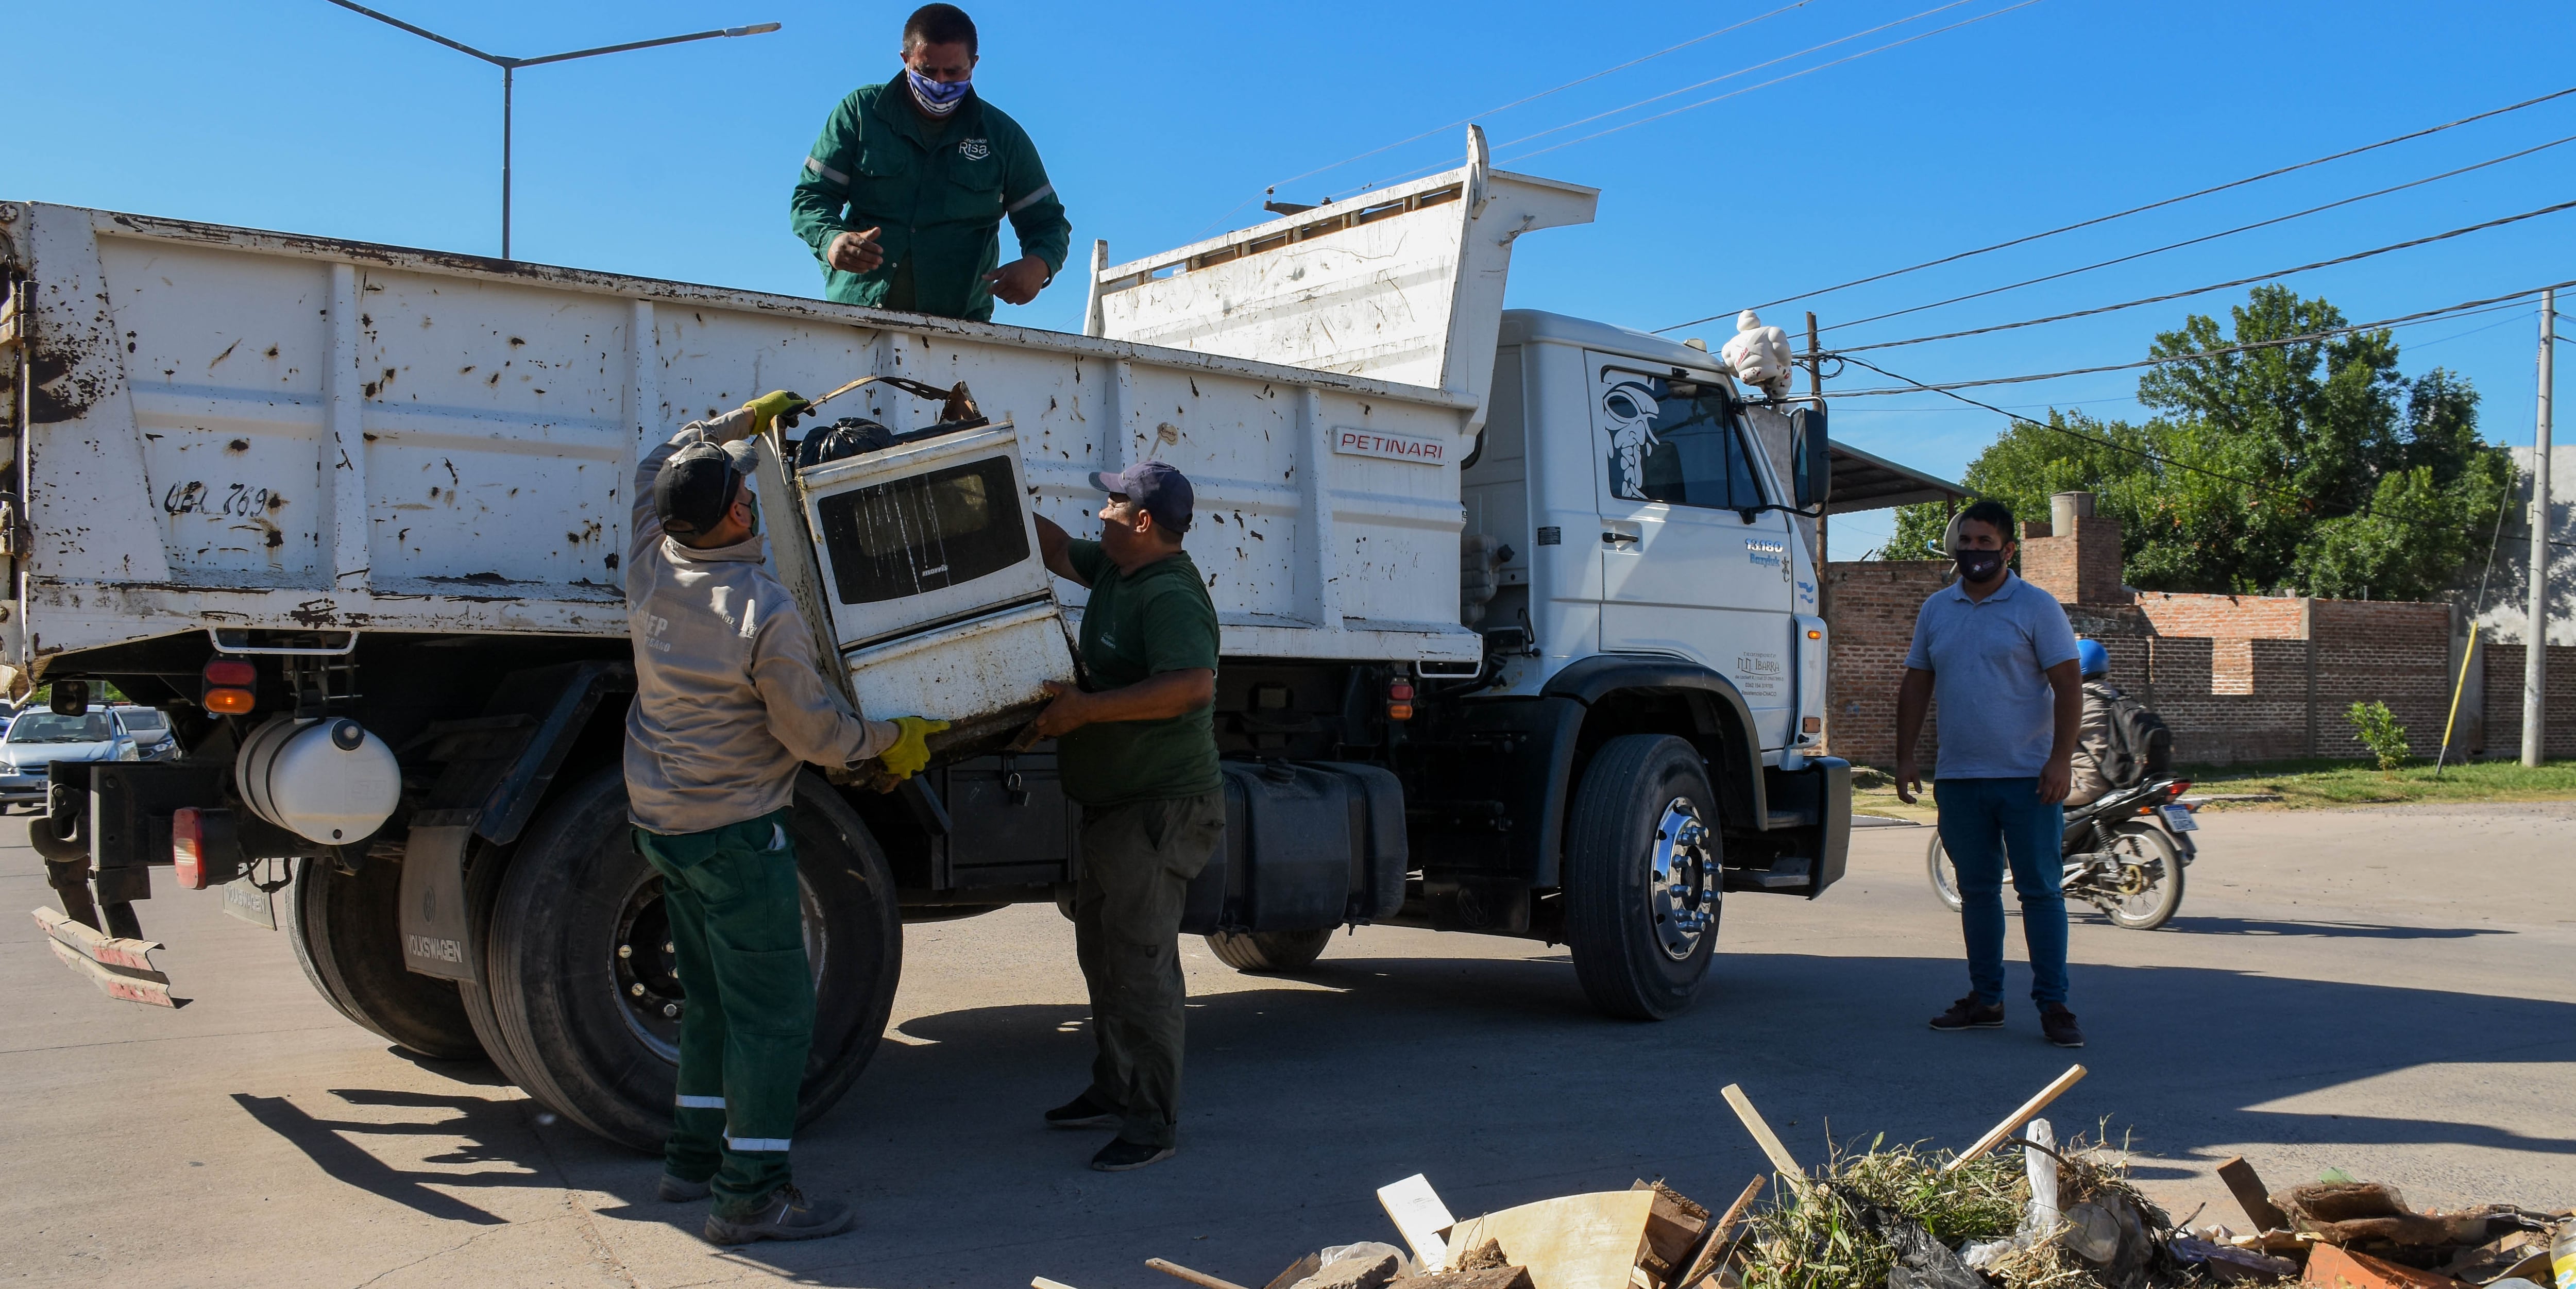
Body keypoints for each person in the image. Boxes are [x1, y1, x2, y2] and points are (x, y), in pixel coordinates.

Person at [625, 390, 947, 1244]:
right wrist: (893, 736)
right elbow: (815, 737)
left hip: (664, 826)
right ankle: (752, 1194)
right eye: (741, 487)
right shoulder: (762, 612)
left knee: (710, 1001)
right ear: (737, 509)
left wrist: (728, 426)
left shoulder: (649, 564)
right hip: (735, 832)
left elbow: (653, 464)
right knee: (772, 1015)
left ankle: (690, 1163)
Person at [1026, 461, 1224, 1173]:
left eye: (1113, 501)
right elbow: (1046, 547)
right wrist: (982, 476)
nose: (1102, 510)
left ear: (1143, 520)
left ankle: (1151, 1123)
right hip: (1116, 807)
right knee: (1102, 953)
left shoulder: (1169, 594)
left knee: (1140, 965)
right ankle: (1115, 1087)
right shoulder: (1114, 566)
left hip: (1159, 809)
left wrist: (1086, 710)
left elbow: (1191, 686)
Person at [1892, 500, 2087, 1049]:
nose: (1973, 550)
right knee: (1976, 892)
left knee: (2040, 893)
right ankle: (1986, 999)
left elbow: (2069, 684)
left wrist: (2059, 759)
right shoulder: (1937, 609)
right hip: (1959, 778)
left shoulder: (2036, 607)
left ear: (2007, 550)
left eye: (1985, 543)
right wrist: (1905, 756)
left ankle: (2054, 1006)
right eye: (1966, 541)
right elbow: (1915, 684)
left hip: (2028, 778)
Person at [788, 4, 1072, 321]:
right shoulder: (860, 114)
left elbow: (1048, 223)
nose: (939, 83)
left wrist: (1038, 265)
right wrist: (831, 240)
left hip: (959, 333)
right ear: (905, 59)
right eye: (926, 71)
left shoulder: (1003, 139)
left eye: (953, 72)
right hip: (857, 319)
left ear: (974, 64)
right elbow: (811, 197)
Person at [2065, 639, 2120, 808]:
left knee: (2025, 796)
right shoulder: (2114, 695)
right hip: (2117, 778)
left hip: (2087, 783)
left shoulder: (2077, 700)